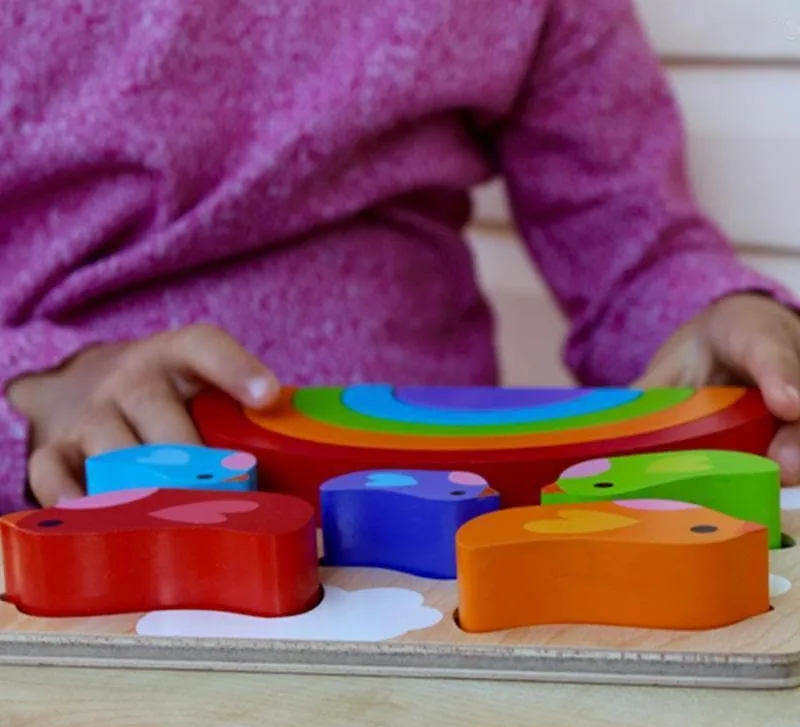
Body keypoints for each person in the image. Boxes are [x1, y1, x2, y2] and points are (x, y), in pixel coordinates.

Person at [3, 0, 800, 514]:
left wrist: (721, 317)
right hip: (89, 524)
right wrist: (34, 390)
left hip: (448, 529)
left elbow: (637, 256)